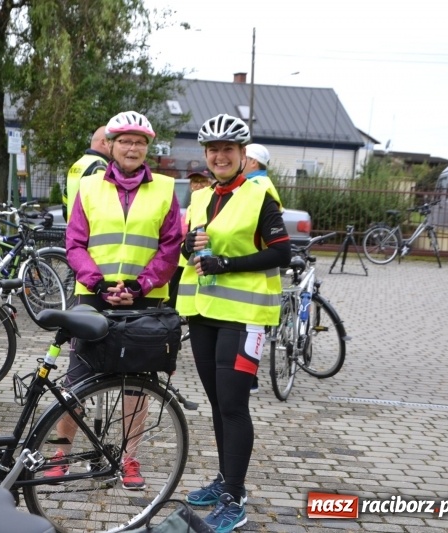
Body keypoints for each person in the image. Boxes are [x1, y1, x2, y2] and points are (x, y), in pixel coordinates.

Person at [45, 110, 182, 489]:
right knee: (77, 378)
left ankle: (129, 458)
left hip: (144, 298)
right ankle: (60, 453)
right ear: (111, 145)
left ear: (147, 148)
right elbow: (74, 243)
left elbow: (171, 247)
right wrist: (100, 284)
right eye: (125, 141)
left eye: (139, 142)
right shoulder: (89, 187)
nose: (132, 148)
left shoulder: (166, 189)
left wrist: (138, 286)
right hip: (94, 295)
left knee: (136, 386)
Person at [176, 114, 291, 533]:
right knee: (217, 403)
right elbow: (193, 247)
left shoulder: (260, 194)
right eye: (213, 150)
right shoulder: (202, 197)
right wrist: (190, 246)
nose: (220, 156)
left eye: (228, 149)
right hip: (205, 312)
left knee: (233, 405)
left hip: (244, 317)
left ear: (243, 154)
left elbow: (281, 252)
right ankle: (226, 480)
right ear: (206, 155)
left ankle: (235, 498)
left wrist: (226, 263)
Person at [243, 143, 282, 394]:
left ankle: (250, 381)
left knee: (249, 330)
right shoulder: (262, 184)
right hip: (253, 273)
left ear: (253, 162)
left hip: (253, 274)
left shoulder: (257, 188)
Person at [167, 167, 213, 309]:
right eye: (194, 182)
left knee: (175, 302)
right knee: (169, 301)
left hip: (197, 259)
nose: (197, 185)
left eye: (202, 181)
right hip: (182, 259)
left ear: (211, 182)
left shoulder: (211, 201)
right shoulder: (193, 204)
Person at [62, 126, 110, 222]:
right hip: (88, 229)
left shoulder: (78, 164)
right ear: (103, 142)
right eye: (112, 142)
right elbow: (99, 205)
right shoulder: (99, 166)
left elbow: (65, 199)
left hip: (74, 227)